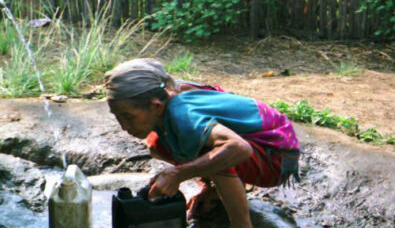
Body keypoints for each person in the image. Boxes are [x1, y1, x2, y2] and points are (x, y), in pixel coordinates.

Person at [104, 58, 300, 228]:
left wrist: (179, 174)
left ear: (156, 106)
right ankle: (214, 188)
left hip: (276, 154)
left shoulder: (184, 115)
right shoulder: (166, 91)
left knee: (212, 149)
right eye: (118, 117)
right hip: (256, 141)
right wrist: (206, 184)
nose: (124, 126)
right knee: (157, 144)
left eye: (128, 117)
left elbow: (239, 148)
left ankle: (241, 224)